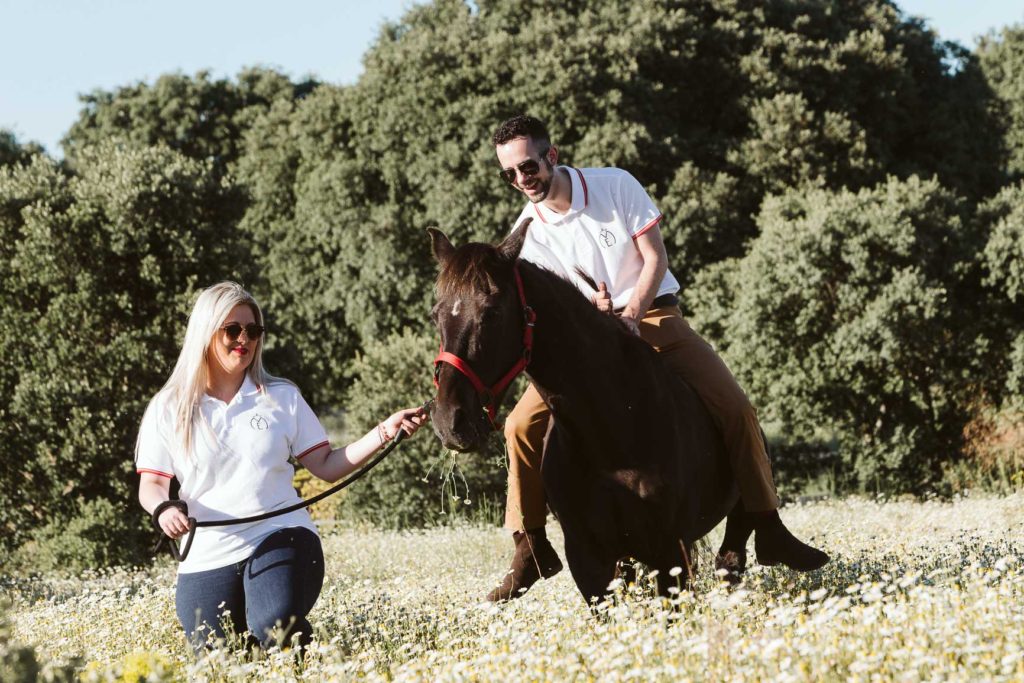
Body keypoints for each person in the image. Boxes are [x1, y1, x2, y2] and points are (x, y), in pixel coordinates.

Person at [487, 114, 829, 601]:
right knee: (518, 426)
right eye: (511, 175)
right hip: (590, 347)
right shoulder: (527, 232)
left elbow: (655, 259)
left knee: (736, 407)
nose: (523, 181)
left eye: (528, 167)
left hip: (653, 320)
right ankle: (530, 545)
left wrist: (629, 313)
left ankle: (768, 524)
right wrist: (595, 316)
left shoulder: (614, 185)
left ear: (552, 156)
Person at [135, 281, 428, 652]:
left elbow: (326, 464)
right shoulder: (168, 407)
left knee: (275, 624)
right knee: (215, 657)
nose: (245, 339)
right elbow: (152, 486)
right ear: (206, 332)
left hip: (280, 533)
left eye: (254, 331)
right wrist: (164, 509)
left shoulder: (281, 397)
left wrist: (385, 432)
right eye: (233, 330)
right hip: (207, 549)